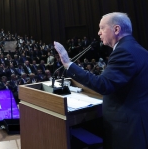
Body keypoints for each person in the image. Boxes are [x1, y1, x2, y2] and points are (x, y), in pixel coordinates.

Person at [54, 12, 148, 149]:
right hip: (137, 121)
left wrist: (68, 65)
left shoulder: (124, 52)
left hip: (127, 127)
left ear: (116, 29)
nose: (99, 33)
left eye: (102, 28)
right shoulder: (138, 49)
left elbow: (104, 85)